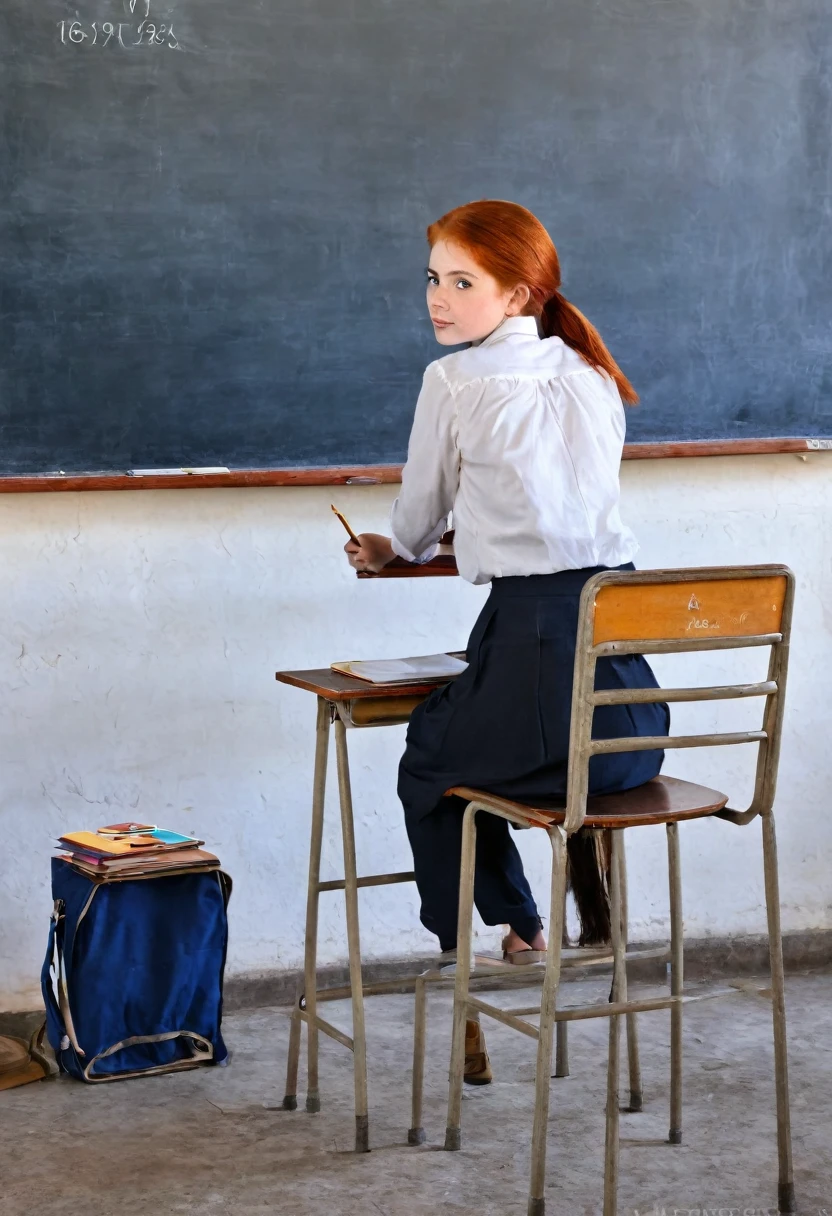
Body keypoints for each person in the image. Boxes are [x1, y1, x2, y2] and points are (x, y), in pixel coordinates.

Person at [345, 200, 669, 1083]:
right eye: (432, 279)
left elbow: (416, 517)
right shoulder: (593, 373)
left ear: (518, 291)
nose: (438, 300)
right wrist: (476, 531)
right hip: (632, 721)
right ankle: (543, 922)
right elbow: (557, 510)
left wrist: (397, 548)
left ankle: (511, 930)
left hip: (539, 681)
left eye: (462, 282)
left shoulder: (453, 384)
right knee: (456, 744)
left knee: (429, 758)